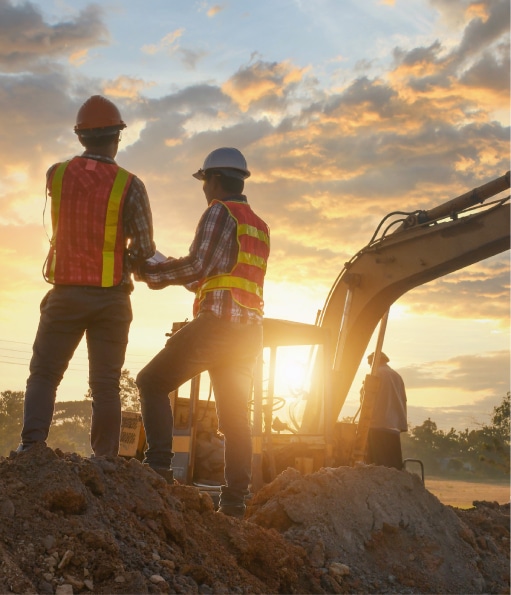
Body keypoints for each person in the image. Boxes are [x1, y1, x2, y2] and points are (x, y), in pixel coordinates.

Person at [17, 95, 155, 457]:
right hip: (111, 297)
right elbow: (142, 249)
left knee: (45, 374)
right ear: (117, 138)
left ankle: (32, 447)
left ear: (80, 137)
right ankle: (105, 462)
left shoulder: (56, 174)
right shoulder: (131, 185)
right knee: (106, 384)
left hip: (65, 294)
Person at [135, 147, 270, 518]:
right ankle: (233, 503)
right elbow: (214, 278)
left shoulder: (218, 212)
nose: (204, 190)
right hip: (248, 333)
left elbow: (197, 265)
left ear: (214, 180)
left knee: (150, 381)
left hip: (218, 327)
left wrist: (151, 273)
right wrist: (170, 271)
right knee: (235, 418)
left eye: (204, 182)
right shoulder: (257, 224)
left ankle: (159, 467)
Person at [363, 352, 408, 469]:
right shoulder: (397, 376)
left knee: (375, 466)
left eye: (370, 364)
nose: (370, 366)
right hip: (394, 427)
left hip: (376, 425)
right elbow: (403, 399)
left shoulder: (375, 374)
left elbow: (366, 399)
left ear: (375, 361)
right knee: (392, 466)